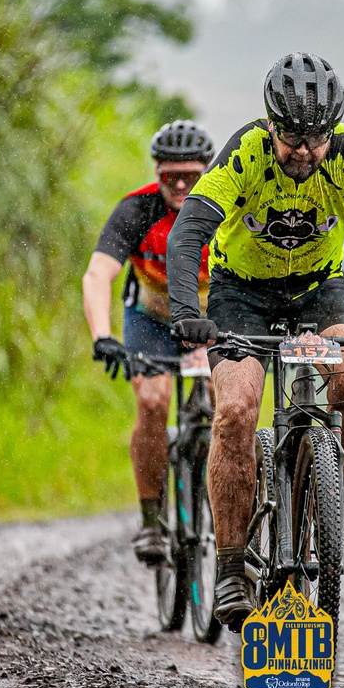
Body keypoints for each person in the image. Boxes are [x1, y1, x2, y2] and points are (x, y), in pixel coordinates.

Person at [165, 51, 344, 631]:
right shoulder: (245, 152)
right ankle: (232, 566)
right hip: (241, 292)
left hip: (320, 290)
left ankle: (325, 501)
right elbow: (190, 229)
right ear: (271, 124)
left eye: (317, 139)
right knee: (236, 411)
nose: (305, 151)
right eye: (291, 137)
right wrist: (189, 312)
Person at [81, 120, 215, 566]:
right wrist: (103, 336)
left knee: (225, 399)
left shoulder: (226, 210)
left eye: (191, 176)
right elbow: (98, 274)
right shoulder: (137, 209)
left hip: (210, 320)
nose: (180, 185)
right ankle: (151, 520)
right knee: (153, 401)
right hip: (152, 318)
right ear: (157, 172)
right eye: (170, 176)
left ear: (208, 172)